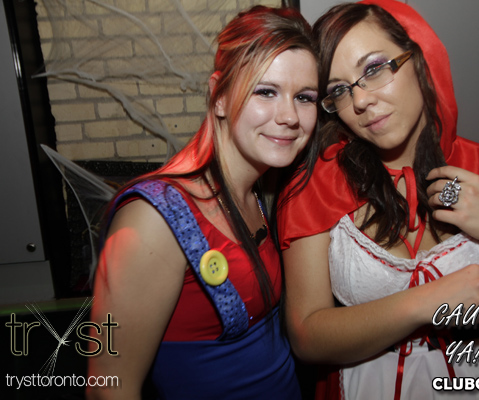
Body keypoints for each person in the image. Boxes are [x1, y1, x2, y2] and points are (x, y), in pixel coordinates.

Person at [278, 1, 479, 399]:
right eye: (339, 90)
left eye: (374, 69)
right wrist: (426, 301)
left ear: (419, 57)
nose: (360, 102)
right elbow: (307, 337)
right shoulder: (315, 188)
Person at [86, 6, 318, 400]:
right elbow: (108, 388)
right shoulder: (152, 220)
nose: (290, 116)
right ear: (219, 97)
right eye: (266, 91)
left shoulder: (262, 192)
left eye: (304, 97)